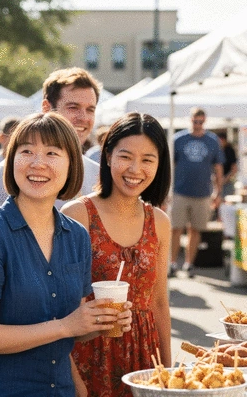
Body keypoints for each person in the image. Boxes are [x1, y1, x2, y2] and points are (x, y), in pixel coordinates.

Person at [0, 112, 132, 397]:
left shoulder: (76, 235)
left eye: (52, 153)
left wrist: (100, 322)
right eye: (26, 151)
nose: (38, 163)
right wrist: (65, 326)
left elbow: (71, 326)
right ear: (12, 159)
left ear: (70, 165)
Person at [61, 112, 172, 397]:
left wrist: (169, 373)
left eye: (148, 159)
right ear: (108, 156)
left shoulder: (159, 221)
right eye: (126, 156)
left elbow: (159, 301)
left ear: (159, 165)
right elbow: (60, 304)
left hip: (145, 357)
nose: (135, 169)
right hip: (88, 353)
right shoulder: (77, 215)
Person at [0, 67, 100, 207]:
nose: (83, 118)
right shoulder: (11, 171)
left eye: (90, 110)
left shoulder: (98, 175)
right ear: (46, 107)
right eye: (73, 107)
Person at [169, 107, 224, 278]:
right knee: (175, 228)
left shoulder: (212, 140)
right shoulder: (179, 139)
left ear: (205, 121)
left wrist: (218, 192)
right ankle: (172, 263)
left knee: (195, 230)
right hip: (180, 191)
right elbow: (170, 166)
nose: (198, 124)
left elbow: (218, 167)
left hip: (203, 193)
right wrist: (167, 190)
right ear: (190, 120)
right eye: (195, 121)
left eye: (201, 121)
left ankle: (189, 263)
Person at [218, 131, 237, 198]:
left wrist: (225, 179)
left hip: (227, 182)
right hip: (217, 181)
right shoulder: (217, 150)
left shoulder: (230, 151)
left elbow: (234, 168)